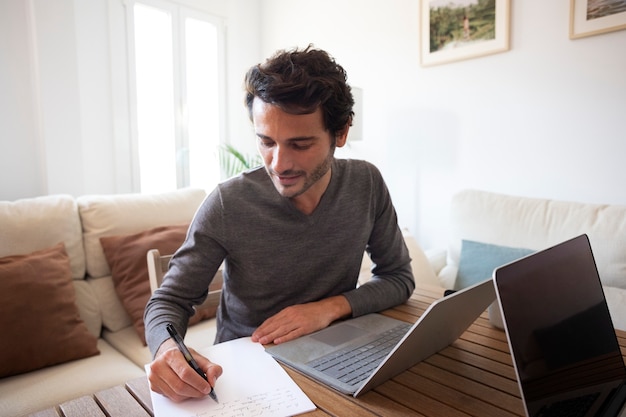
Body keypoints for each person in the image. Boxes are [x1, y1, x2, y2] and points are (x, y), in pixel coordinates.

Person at [144, 45, 415, 402]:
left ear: (342, 132)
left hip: (337, 354)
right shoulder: (229, 203)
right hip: (250, 370)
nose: (279, 163)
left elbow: (399, 277)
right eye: (266, 142)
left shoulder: (366, 183)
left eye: (300, 144)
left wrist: (328, 308)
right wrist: (167, 350)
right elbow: (167, 301)